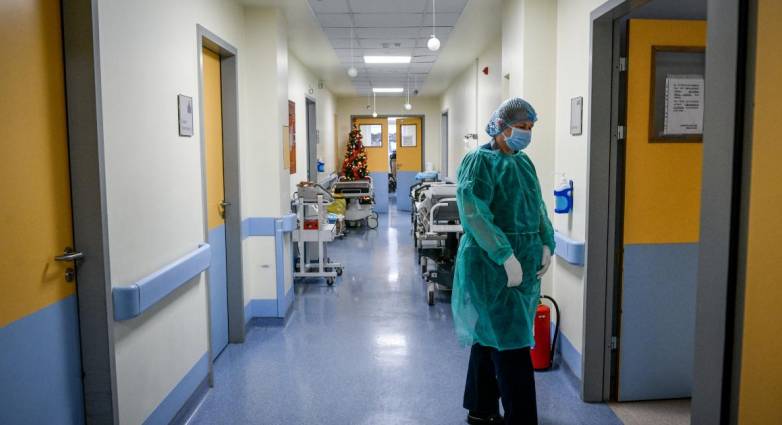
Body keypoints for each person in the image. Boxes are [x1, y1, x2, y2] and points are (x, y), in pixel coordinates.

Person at [453, 97, 555, 425]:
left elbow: (537, 206)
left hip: (522, 262)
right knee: (512, 346)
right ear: (501, 126)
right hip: (490, 265)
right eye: (521, 126)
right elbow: (474, 214)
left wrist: (546, 241)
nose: (527, 133)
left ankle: (480, 408)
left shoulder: (524, 163)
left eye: (530, 127)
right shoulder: (478, 162)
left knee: (488, 336)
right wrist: (504, 255)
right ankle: (521, 419)